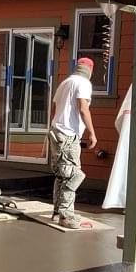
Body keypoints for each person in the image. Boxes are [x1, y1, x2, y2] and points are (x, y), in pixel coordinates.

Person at [47, 56, 98, 227]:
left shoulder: (65, 82)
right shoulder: (83, 83)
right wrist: (92, 133)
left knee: (62, 174)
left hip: (56, 132)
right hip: (68, 135)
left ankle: (57, 212)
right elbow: (83, 108)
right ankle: (66, 216)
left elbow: (55, 110)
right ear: (90, 71)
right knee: (73, 174)